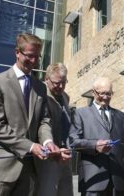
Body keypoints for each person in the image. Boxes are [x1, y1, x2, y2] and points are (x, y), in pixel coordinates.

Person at [0, 33, 59, 196]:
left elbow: (44, 120)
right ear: (17, 52)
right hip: (0, 171)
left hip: (29, 172)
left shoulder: (40, 87)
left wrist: (48, 141)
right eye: (29, 56)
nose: (34, 61)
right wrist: (30, 146)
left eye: (37, 56)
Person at [69, 77, 124, 196]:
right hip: (93, 178)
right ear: (93, 92)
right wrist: (94, 145)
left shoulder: (121, 116)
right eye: (102, 93)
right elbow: (73, 142)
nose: (106, 97)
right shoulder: (80, 114)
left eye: (109, 93)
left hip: (118, 178)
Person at [35, 63, 73, 196]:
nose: (61, 86)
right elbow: (43, 124)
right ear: (46, 79)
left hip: (65, 155)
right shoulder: (39, 94)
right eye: (57, 83)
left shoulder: (65, 97)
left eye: (64, 82)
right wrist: (49, 144)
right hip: (48, 156)